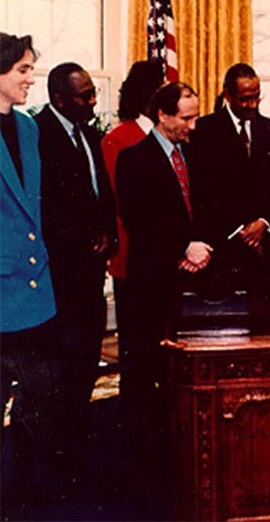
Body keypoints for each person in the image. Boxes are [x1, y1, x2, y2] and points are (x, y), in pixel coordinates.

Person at [115, 81, 213, 466]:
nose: (193, 126)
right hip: (151, 283)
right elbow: (141, 223)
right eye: (186, 118)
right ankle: (145, 460)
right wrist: (181, 249)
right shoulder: (133, 159)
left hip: (191, 280)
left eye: (196, 117)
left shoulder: (194, 154)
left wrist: (200, 247)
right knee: (146, 371)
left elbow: (203, 208)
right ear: (163, 114)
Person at [34, 61, 116, 467]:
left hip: (91, 270)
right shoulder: (39, 135)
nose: (92, 100)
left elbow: (100, 190)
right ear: (59, 98)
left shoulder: (88, 132)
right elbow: (45, 205)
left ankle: (79, 434)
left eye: (92, 93)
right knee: (61, 362)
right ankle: (58, 447)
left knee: (87, 353)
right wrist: (81, 240)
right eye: (84, 95)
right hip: (61, 272)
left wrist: (105, 232)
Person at [0, 33, 59, 506]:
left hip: (35, 291)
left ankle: (19, 498)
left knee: (38, 400)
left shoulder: (28, 127)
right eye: (22, 69)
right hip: (1, 291)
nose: (30, 78)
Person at [191, 63, 270, 304]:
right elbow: (201, 189)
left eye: (257, 97)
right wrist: (240, 231)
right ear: (227, 94)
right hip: (221, 244)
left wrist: (263, 222)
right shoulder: (203, 130)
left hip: (264, 243)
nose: (252, 104)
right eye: (245, 99)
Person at [101, 59, 164, 406]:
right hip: (131, 257)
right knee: (135, 349)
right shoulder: (119, 138)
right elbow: (115, 201)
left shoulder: (170, 135)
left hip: (167, 260)